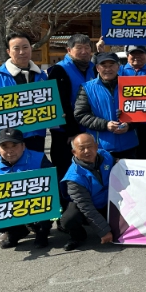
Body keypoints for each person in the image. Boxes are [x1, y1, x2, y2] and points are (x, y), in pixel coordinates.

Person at [0, 128, 53, 249]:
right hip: (10, 206)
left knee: (48, 201)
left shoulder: (39, 159)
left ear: (23, 146)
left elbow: (53, 187)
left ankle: (42, 231)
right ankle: (16, 231)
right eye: (4, 146)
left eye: (14, 145)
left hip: (36, 203)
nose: (10, 150)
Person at [46, 34, 96, 194]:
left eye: (87, 47)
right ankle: (65, 205)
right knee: (65, 171)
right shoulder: (58, 70)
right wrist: (72, 131)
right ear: (69, 50)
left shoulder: (93, 68)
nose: (84, 51)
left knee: (88, 170)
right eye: (79, 48)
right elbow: (59, 103)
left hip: (89, 128)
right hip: (65, 133)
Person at [0, 32, 47, 152]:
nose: (22, 52)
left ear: (31, 49)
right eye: (16, 48)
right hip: (8, 139)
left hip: (36, 136)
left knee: (36, 163)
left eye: (25, 47)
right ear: (8, 51)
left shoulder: (42, 76)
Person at [74, 52, 138, 159]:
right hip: (100, 147)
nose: (108, 69)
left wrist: (129, 125)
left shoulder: (131, 86)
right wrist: (105, 125)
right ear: (97, 68)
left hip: (129, 144)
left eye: (111, 65)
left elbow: (142, 111)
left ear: (118, 67)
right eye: (104, 65)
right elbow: (80, 115)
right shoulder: (86, 88)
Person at [60, 133, 114, 251]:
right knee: (68, 220)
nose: (87, 151)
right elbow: (86, 207)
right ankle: (77, 236)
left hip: (109, 201)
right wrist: (104, 231)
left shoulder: (107, 156)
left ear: (96, 146)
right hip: (88, 205)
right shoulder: (73, 177)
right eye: (82, 148)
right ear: (74, 152)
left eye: (90, 146)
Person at [118, 45, 146, 160]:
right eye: (133, 53)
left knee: (145, 158)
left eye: (140, 53)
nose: (137, 56)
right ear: (127, 56)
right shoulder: (119, 71)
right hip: (125, 122)